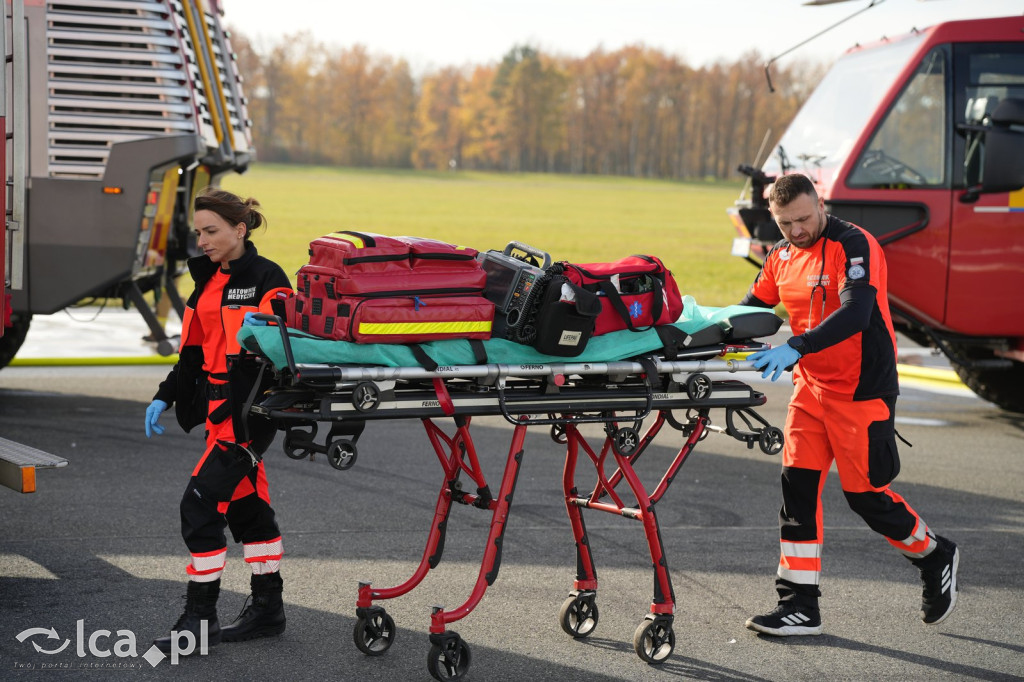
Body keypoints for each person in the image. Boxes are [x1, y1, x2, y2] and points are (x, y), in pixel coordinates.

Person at [740, 173, 959, 636]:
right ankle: (798, 604)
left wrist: (796, 345)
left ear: (819, 204)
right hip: (810, 390)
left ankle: (934, 554)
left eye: (803, 219)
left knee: (866, 498)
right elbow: (748, 311)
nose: (796, 231)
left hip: (862, 391)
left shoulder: (855, 244)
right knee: (796, 491)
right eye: (785, 224)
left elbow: (857, 312)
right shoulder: (780, 256)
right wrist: (696, 335)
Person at [145, 188, 293, 654]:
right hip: (213, 410)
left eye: (211, 231)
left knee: (200, 506)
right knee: (248, 509)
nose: (202, 241)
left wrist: (250, 412)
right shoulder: (207, 280)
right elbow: (193, 350)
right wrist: (165, 395)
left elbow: (281, 357)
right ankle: (269, 608)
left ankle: (198, 619)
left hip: (247, 416)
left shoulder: (269, 280)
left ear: (239, 229)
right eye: (198, 232)